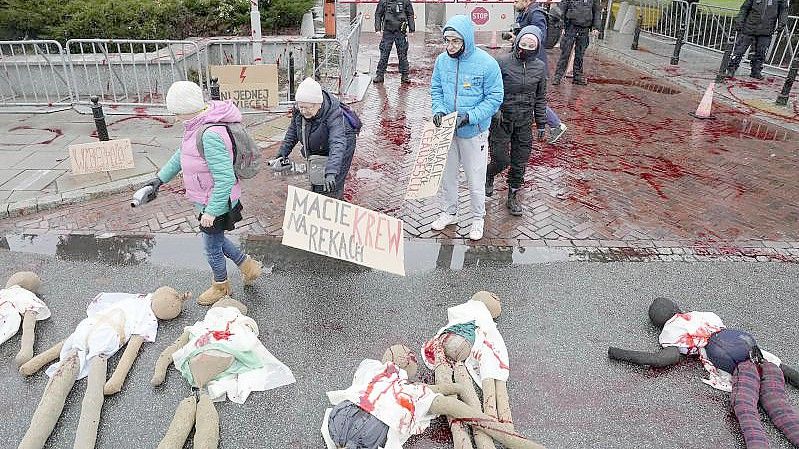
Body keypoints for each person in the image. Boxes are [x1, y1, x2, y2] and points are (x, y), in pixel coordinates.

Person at [608, 297, 799, 448]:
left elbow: (662, 359)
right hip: (761, 358)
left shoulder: (672, 331)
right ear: (677, 307)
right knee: (780, 406)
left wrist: (618, 353)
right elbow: (784, 368)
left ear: (658, 323)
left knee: (746, 410)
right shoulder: (706, 315)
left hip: (741, 369)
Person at [143, 81, 263, 305]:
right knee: (215, 240)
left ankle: (221, 287)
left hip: (217, 202)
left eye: (176, 112)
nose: (174, 116)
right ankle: (248, 266)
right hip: (207, 200)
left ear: (186, 109)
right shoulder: (196, 126)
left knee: (211, 247)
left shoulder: (209, 134)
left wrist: (213, 211)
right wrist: (159, 179)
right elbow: (182, 155)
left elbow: (225, 178)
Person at [430, 15, 504, 241]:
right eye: (447, 40)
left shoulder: (487, 63)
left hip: (474, 131)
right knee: (448, 176)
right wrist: (438, 110)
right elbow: (436, 89)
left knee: (475, 177)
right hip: (447, 130)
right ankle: (449, 212)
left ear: (467, 40)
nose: (450, 46)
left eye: (456, 41)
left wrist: (470, 116)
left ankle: (477, 217)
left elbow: (495, 98)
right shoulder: (442, 61)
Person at [486, 26, 548, 217]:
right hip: (502, 120)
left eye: (531, 45)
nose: (526, 47)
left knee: (519, 162)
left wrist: (541, 123)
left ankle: (512, 195)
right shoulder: (502, 62)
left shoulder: (540, 67)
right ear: (517, 42)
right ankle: (488, 174)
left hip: (524, 122)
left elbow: (540, 97)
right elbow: (490, 90)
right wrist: (494, 111)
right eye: (523, 43)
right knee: (501, 160)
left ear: (537, 47)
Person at [269, 77, 359, 200]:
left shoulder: (333, 114)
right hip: (320, 143)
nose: (303, 111)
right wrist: (282, 153)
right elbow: (293, 132)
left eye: (307, 108)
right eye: (301, 107)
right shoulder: (299, 109)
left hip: (343, 143)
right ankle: (318, 198)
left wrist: (331, 172)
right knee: (317, 177)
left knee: (331, 184)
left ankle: (333, 205)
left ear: (318, 104)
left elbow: (337, 143)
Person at [513, 0, 568, 143]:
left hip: (533, 65)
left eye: (516, 0)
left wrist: (522, 39)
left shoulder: (536, 13)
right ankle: (554, 125)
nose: (514, 2)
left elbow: (540, 36)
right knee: (529, 99)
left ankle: (557, 125)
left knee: (532, 99)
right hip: (526, 62)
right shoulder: (525, 12)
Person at [725, 0, 788, 80]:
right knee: (739, 50)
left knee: (761, 52)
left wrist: (782, 23)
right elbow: (745, 8)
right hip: (749, 27)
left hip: (766, 30)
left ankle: (756, 71)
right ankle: (731, 68)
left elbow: (783, 10)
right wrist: (739, 20)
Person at [551, 0, 602, 85]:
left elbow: (596, 11)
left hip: (585, 29)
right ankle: (558, 76)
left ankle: (577, 77)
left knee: (580, 54)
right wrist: (560, 23)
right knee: (565, 53)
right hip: (571, 27)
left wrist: (596, 27)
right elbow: (562, 7)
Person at [374, 0, 416, 84]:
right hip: (388, 31)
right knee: (384, 54)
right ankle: (380, 74)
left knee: (402, 54)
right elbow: (378, 14)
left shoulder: (405, 1)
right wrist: (377, 28)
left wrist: (412, 28)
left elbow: (410, 14)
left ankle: (405, 75)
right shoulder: (384, 1)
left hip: (401, 31)